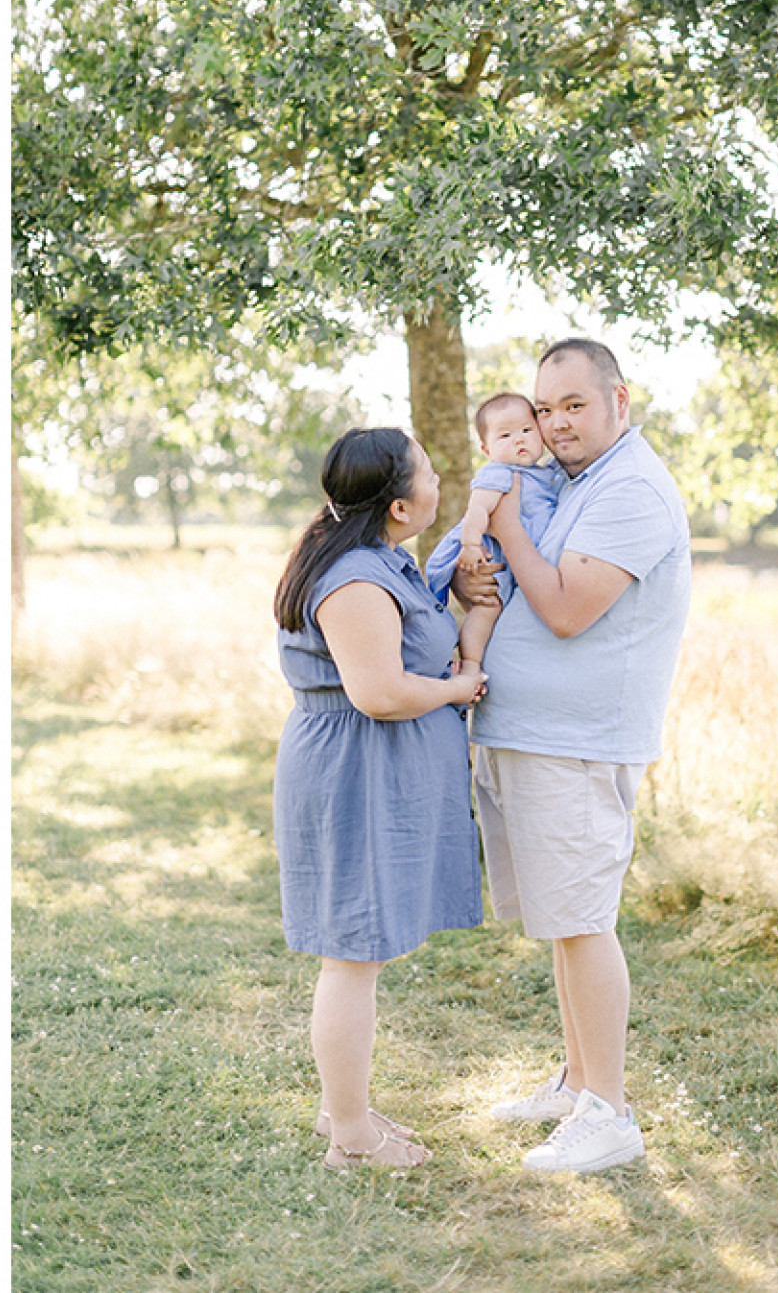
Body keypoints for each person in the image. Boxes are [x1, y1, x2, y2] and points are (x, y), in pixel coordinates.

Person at [459, 337, 692, 1174]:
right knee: (562, 920)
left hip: (579, 743)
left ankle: (610, 1112)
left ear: (620, 401)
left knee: (585, 919)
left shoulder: (630, 489)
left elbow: (562, 608)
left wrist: (509, 525)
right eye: (545, 408)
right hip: (533, 736)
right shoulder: (579, 482)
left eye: (574, 406)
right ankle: (576, 1078)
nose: (555, 423)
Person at [271, 428, 487, 1170]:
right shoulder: (357, 578)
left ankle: (345, 1107)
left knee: (358, 948)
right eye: (428, 471)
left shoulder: (379, 559)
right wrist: (459, 687)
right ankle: (352, 1138)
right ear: (400, 503)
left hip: (370, 768)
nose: (438, 478)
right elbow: (380, 691)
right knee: (352, 954)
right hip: (353, 772)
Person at [424, 391, 563, 673]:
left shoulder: (548, 474)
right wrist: (470, 544)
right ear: (486, 450)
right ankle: (471, 664)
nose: (519, 439)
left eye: (527, 430)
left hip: (527, 561)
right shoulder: (499, 473)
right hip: (496, 553)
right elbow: (477, 510)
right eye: (505, 436)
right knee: (488, 608)